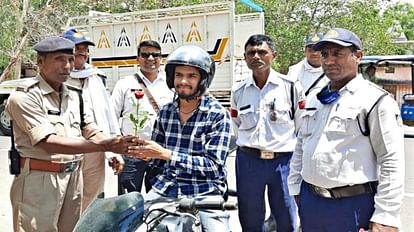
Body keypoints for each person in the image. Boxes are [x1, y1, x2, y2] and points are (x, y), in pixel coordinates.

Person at [6, 36, 136, 232]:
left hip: (73, 178)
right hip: (39, 181)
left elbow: (90, 128)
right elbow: (48, 142)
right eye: (59, 59)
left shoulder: (75, 95)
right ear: (40, 62)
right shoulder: (23, 97)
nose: (67, 66)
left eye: (70, 59)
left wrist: (112, 147)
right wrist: (107, 145)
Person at [288, 28, 404, 231]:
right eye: (325, 54)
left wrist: (386, 216)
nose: (329, 61)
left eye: (337, 54)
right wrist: (295, 186)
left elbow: (391, 160)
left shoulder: (375, 101)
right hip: (311, 202)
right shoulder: (315, 98)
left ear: (357, 56)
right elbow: (301, 144)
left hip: (352, 205)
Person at [127, 45, 232, 231]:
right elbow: (157, 158)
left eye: (191, 76)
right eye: (178, 75)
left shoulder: (217, 115)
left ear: (203, 80)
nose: (183, 81)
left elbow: (214, 167)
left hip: (204, 192)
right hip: (166, 189)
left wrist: (167, 154)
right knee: (132, 226)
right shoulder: (165, 113)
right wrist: (145, 155)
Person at [230, 34, 301, 232]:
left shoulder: (291, 87)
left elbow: (301, 124)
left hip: (284, 161)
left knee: (286, 216)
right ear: (245, 58)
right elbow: (237, 123)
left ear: (273, 55)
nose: (256, 56)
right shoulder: (238, 90)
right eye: (251, 53)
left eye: (262, 52)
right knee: (250, 216)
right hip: (249, 161)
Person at [63, 27, 121, 211]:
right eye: (76, 47)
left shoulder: (95, 77)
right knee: (68, 201)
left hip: (96, 148)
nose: (82, 52)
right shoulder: (59, 79)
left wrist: (113, 149)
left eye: (85, 48)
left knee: (94, 199)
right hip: (67, 149)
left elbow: (108, 114)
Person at [111, 40, 174, 194]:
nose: (151, 58)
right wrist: (116, 150)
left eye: (155, 55)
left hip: (160, 152)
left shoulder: (171, 84)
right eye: (145, 54)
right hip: (132, 152)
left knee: (160, 202)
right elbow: (112, 117)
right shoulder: (124, 84)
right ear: (137, 58)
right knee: (128, 203)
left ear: (161, 58)